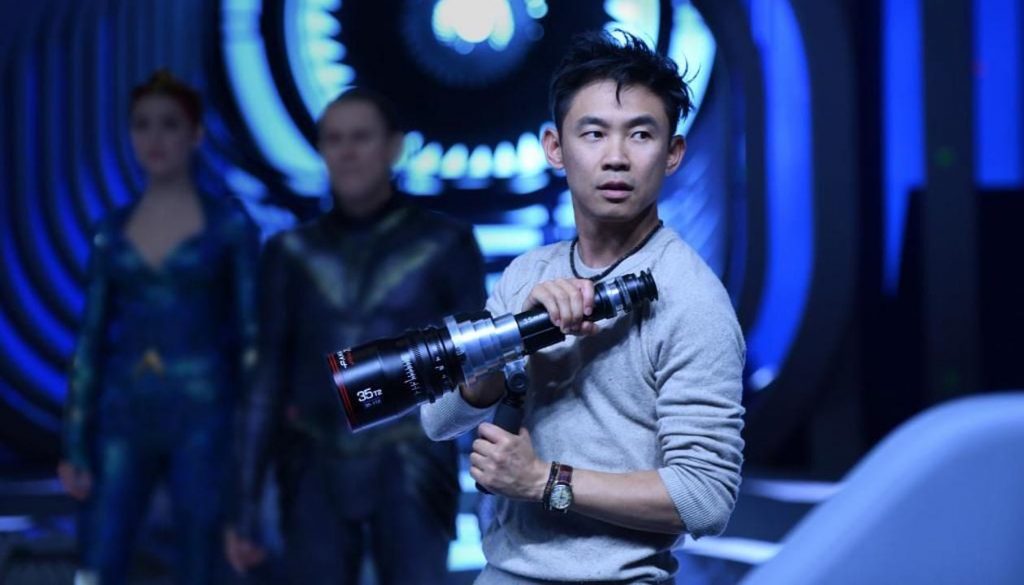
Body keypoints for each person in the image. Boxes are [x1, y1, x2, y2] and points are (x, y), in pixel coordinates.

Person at [421, 31, 746, 584]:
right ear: (555, 147)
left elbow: (705, 497)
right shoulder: (529, 274)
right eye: (593, 133)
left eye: (640, 134)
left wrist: (544, 480)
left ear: (672, 153)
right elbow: (440, 420)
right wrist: (511, 338)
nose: (616, 157)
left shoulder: (692, 298)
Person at [226, 87, 487, 584]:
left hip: (414, 463)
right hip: (312, 462)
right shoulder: (288, 253)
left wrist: (496, 493)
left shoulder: (445, 243)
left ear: (393, 145)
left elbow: (478, 371)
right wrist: (244, 505)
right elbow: (265, 379)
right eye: (334, 139)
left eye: (361, 137)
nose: (347, 152)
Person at [58, 70, 260, 585]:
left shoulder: (229, 226)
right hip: (123, 412)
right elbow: (90, 339)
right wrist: (75, 441)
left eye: (169, 124)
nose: (155, 138)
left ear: (195, 134)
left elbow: (251, 337)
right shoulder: (110, 232)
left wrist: (254, 442)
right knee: (101, 554)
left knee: (201, 557)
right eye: (142, 125)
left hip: (204, 416)